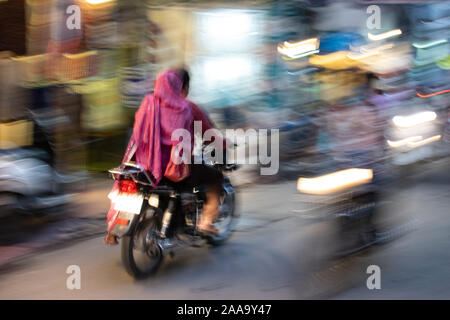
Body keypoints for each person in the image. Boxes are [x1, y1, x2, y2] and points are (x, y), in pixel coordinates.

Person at [105, 68, 224, 245]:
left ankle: (115, 228)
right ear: (182, 86)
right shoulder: (185, 107)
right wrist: (224, 144)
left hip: (144, 166)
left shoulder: (148, 104)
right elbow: (209, 133)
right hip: (174, 171)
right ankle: (206, 222)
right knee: (215, 177)